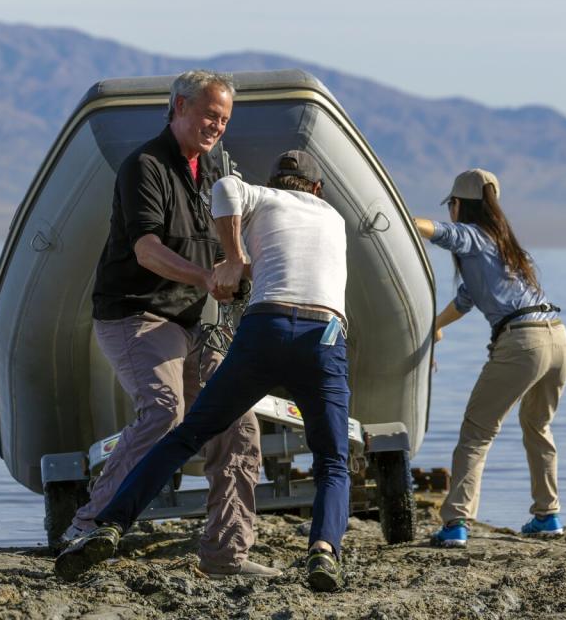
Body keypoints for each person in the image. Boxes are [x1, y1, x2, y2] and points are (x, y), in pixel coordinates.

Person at [56, 150, 351, 592]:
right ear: (317, 189)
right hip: (324, 334)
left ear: (274, 185)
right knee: (332, 459)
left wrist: (232, 258)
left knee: (187, 434)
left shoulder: (262, 198)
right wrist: (239, 264)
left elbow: (227, 188)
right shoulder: (333, 217)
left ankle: (112, 524)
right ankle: (323, 553)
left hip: (266, 326)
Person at [62, 70, 275, 578]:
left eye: (223, 119)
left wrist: (242, 271)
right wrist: (206, 277)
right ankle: (86, 528)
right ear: (179, 106)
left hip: (191, 323)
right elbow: (147, 250)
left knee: (238, 421)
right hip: (135, 313)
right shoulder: (146, 166)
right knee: (164, 409)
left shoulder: (217, 175)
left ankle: (226, 554)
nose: (217, 126)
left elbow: (233, 249)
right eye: (209, 115)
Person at [414, 168, 566, 548]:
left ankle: (455, 524)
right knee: (538, 427)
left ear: (458, 205)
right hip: (559, 340)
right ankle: (548, 515)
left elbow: (436, 232)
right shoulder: (508, 247)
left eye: (450, 205)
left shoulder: (472, 236)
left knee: (476, 432)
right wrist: (436, 326)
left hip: (523, 344)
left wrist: (391, 217)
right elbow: (467, 300)